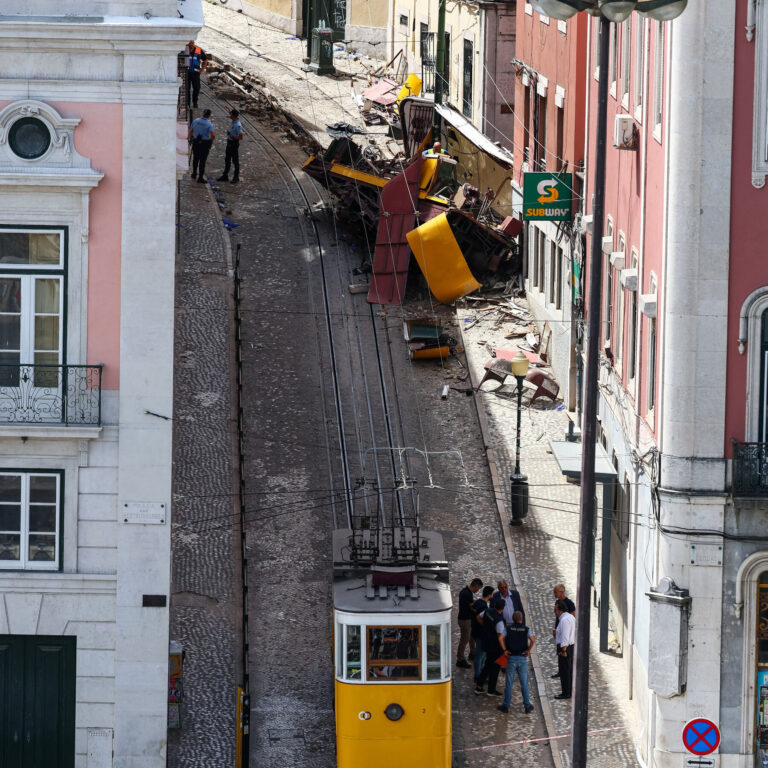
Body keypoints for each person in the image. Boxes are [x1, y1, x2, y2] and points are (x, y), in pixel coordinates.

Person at [498, 610, 535, 715]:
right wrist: (528, 650)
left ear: (513, 619)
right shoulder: (526, 629)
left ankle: (506, 705)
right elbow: (533, 640)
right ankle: (527, 705)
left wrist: (505, 650)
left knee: (509, 683)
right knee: (524, 683)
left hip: (511, 657)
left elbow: (500, 638)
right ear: (521, 619)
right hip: (522, 658)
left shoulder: (508, 628)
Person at [475, 598, 507, 697]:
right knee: (495, 668)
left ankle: (479, 686)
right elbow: (500, 637)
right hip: (495, 647)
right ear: (503, 608)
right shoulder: (499, 621)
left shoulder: (488, 611)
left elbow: (478, 618)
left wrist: (485, 627)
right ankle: (491, 690)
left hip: (486, 643)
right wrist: (505, 649)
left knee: (488, 664)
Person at [457, 578, 483, 668]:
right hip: (465, 620)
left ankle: (472, 653)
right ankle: (460, 659)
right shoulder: (467, 594)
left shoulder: (465, 591)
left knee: (470, 637)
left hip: (465, 618)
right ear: (476, 586)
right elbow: (472, 606)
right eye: (478, 588)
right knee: (465, 639)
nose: (477, 590)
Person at [551, 584, 576, 677]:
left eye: (555, 592)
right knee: (559, 650)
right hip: (559, 629)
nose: (554, 594)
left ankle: (568, 672)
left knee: (565, 652)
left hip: (566, 631)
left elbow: (573, 616)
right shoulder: (557, 602)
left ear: (561, 592)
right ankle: (560, 671)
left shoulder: (569, 603)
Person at [471, 586, 494, 684]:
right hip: (481, 633)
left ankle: (480, 673)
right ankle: (478, 675)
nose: (493, 595)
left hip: (475, 631)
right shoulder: (484, 606)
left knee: (481, 654)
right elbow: (480, 619)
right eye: (492, 593)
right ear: (489, 594)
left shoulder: (476, 603)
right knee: (480, 655)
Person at [555, 599, 576, 699]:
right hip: (570, 646)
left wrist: (563, 650)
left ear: (560, 610)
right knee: (568, 670)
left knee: (565, 671)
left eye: (555, 610)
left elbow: (565, 637)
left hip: (565, 648)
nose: (554, 612)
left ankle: (566, 693)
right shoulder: (570, 617)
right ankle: (569, 691)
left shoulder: (564, 620)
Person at [189, 109, 215, 183]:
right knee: (202, 161)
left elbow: (191, 131)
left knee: (195, 159)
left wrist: (191, 139)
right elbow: (213, 135)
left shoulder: (196, 121)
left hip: (196, 141)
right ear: (209, 115)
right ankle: (200, 177)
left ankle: (194, 173)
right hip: (204, 143)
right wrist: (210, 141)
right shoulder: (209, 124)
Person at [218, 109, 243, 184]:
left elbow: (241, 137)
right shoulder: (233, 122)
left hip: (234, 144)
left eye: (231, 114)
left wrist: (231, 136)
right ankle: (225, 175)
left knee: (235, 161)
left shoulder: (237, 125)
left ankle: (236, 177)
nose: (230, 115)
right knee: (227, 159)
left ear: (233, 116)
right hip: (229, 143)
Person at [187, 40, 208, 109]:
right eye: (190, 43)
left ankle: (195, 102)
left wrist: (202, 68)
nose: (191, 44)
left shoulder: (199, 50)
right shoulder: (184, 50)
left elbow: (205, 60)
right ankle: (187, 103)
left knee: (196, 88)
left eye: (192, 43)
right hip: (187, 73)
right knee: (187, 89)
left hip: (196, 73)